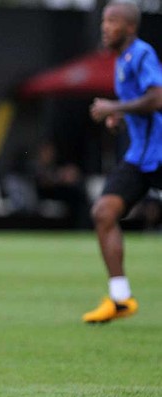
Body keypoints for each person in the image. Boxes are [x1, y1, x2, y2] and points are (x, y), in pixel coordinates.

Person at [84, 0, 162, 323]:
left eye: (113, 21)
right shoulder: (120, 60)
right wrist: (121, 116)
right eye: (104, 21)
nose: (106, 27)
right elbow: (141, 104)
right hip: (141, 157)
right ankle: (120, 299)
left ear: (130, 27)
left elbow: (157, 98)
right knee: (103, 212)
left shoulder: (141, 53)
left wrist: (115, 107)